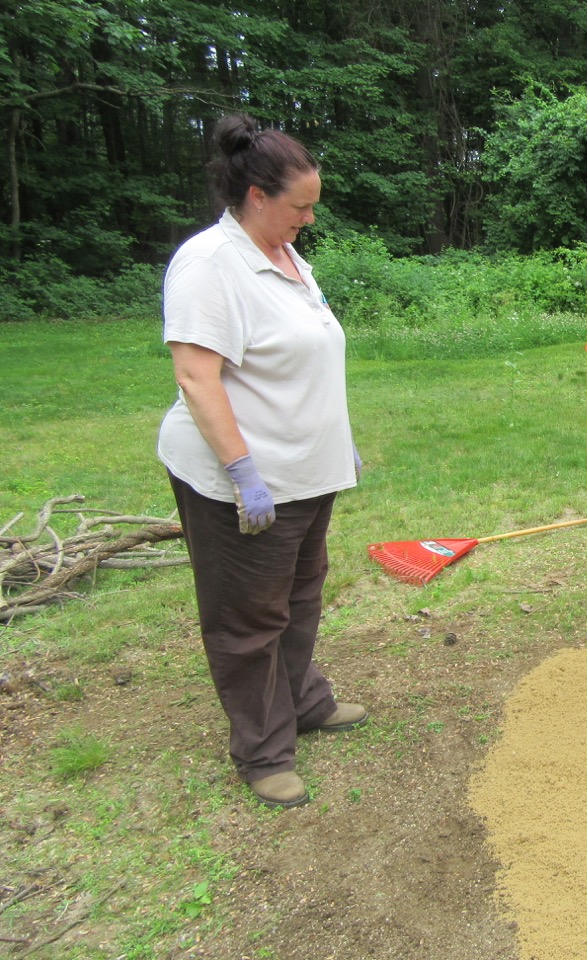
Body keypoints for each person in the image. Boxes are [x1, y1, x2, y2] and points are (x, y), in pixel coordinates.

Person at [157, 113, 366, 809]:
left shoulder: (288, 257)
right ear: (255, 196)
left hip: (308, 472)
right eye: (300, 206)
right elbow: (197, 377)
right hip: (246, 482)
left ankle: (302, 701)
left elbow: (302, 358)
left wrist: (335, 438)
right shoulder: (209, 265)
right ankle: (264, 751)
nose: (309, 218)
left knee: (300, 597)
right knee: (248, 618)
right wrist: (243, 473)